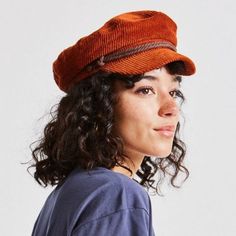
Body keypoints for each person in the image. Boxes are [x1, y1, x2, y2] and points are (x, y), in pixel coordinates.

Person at [29, 10, 196, 236]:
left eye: (173, 91)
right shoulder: (118, 195)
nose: (171, 108)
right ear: (101, 103)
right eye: (146, 90)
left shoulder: (72, 192)